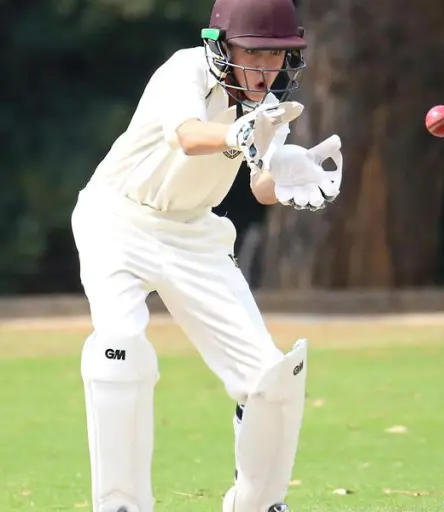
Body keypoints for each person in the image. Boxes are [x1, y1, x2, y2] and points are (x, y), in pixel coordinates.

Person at [70, 0, 342, 510]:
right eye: (254, 53)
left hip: (195, 233)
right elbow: (189, 137)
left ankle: (257, 503)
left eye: (277, 56)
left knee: (269, 379)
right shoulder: (183, 69)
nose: (266, 69)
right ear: (221, 47)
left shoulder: (272, 107)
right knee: (120, 347)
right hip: (117, 219)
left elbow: (260, 181)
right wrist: (239, 133)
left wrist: (291, 175)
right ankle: (121, 502)